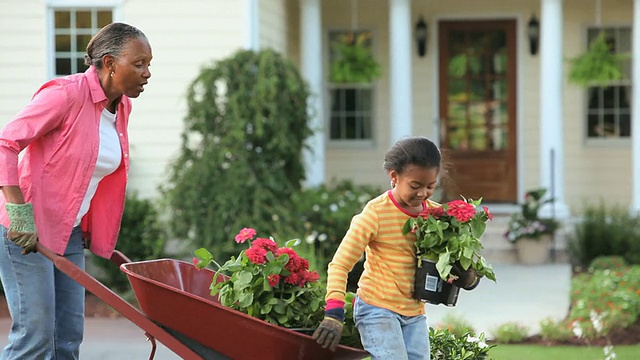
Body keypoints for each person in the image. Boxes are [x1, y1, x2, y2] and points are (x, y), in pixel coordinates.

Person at [0, 22, 152, 359]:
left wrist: (86, 223)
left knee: (67, 338)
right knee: (36, 336)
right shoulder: (65, 94)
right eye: (139, 64)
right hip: (25, 234)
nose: (147, 73)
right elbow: (5, 144)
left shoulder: (121, 107)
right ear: (110, 63)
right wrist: (19, 212)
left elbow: (92, 171)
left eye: (149, 64)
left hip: (68, 233)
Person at [313, 136, 477, 359]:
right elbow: (340, 265)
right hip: (377, 309)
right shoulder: (374, 214)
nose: (422, 194)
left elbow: (455, 265)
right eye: (415, 186)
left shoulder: (437, 218)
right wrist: (334, 312)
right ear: (394, 176)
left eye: (430, 186)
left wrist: (469, 278)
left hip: (414, 313)